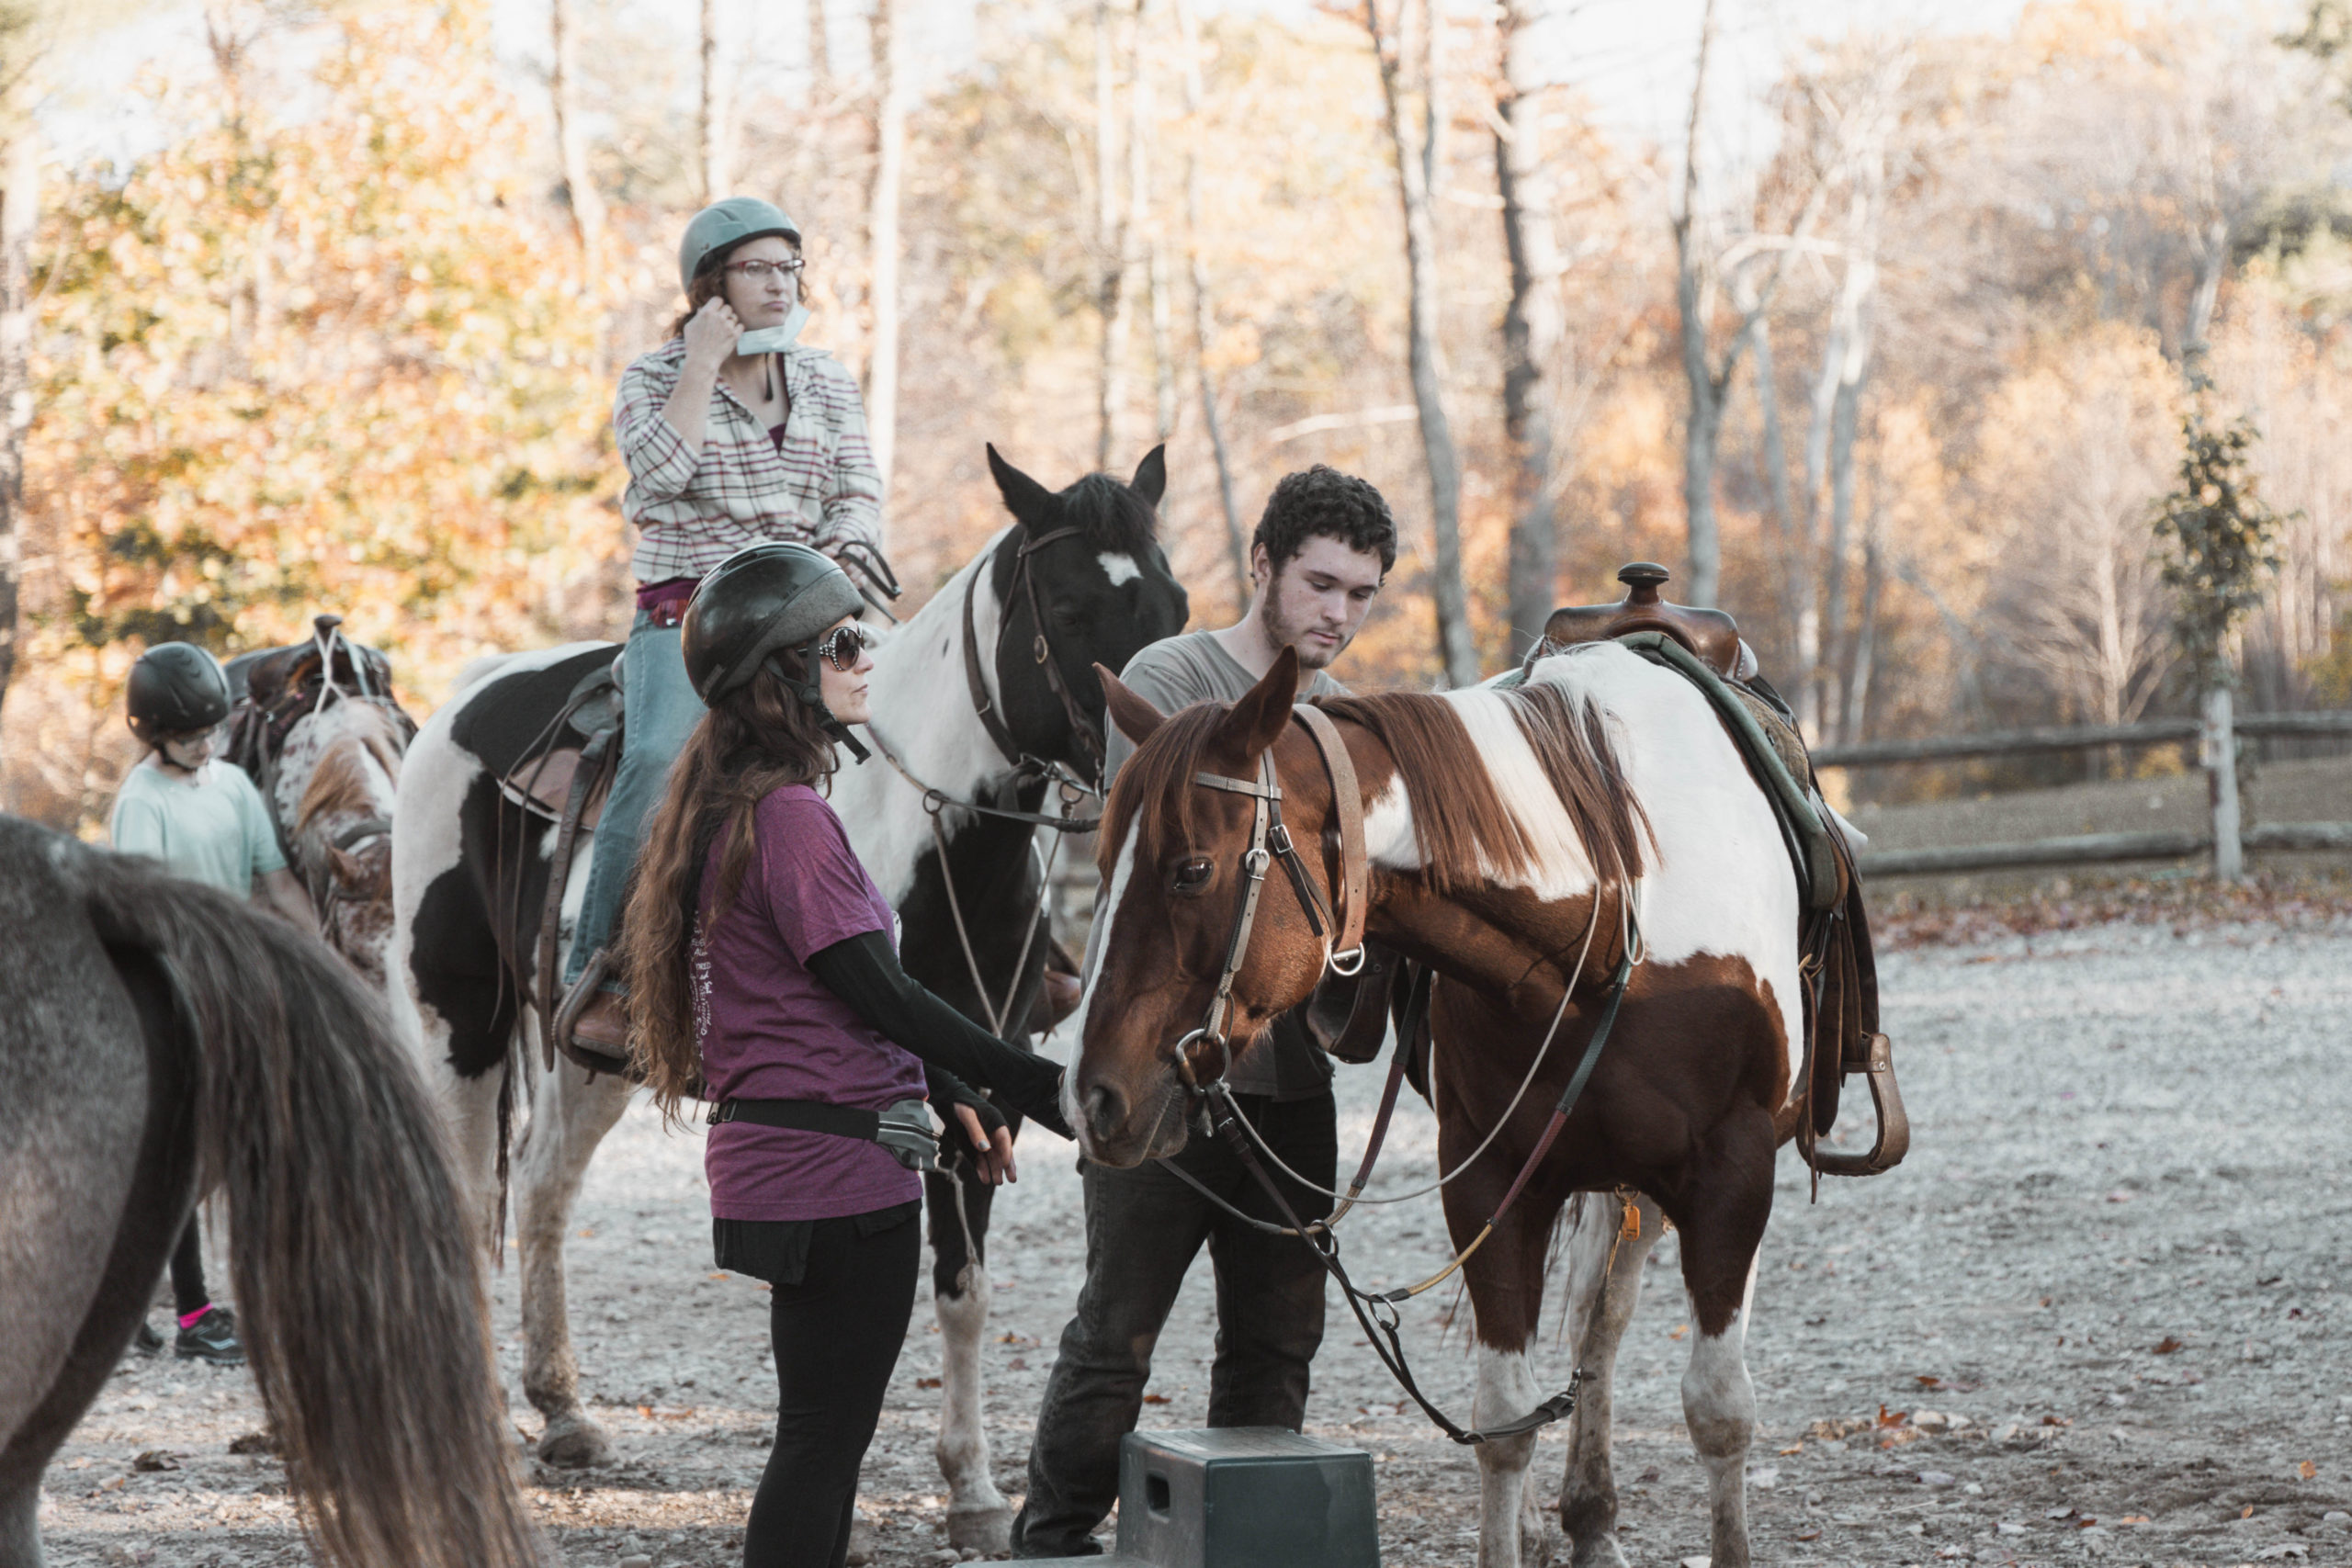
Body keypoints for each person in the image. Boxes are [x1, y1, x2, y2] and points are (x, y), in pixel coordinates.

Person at [620, 542, 1074, 1568]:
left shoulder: (751, 808)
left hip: (795, 1165)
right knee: (823, 1443)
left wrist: (950, 1086)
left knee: (823, 1439)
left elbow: (838, 1001)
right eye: (841, 643)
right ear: (783, 675)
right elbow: (880, 988)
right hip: (835, 1180)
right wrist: (1042, 1087)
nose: (869, 657)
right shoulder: (787, 819)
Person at [1012, 466, 1396, 1558]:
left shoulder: (1340, 726)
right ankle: (1054, 1539)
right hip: (1157, 1060)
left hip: (1289, 1078)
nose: (1338, 613)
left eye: (1360, 595)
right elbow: (1160, 871)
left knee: (1279, 1340)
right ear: (1263, 568)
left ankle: (1245, 1545)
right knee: (1114, 1336)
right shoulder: (1170, 675)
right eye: (1319, 583)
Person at [567, 196, 886, 1052]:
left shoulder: (822, 378)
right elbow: (659, 477)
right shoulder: (651, 377)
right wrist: (700, 368)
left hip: (814, 610)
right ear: (711, 285)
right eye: (758, 268)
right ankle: (599, 974)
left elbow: (857, 492)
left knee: (929, 725)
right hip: (692, 623)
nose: (780, 283)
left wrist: (847, 555)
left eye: (791, 267)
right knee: (659, 761)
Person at [107, 641, 321, 1365]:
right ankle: (195, 1314)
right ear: (154, 734)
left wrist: (323, 957)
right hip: (174, 990)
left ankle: (125, 1298)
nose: (206, 746)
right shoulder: (140, 803)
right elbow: (144, 913)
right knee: (180, 1155)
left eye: (212, 732)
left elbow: (277, 882)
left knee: (242, 1147)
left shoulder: (231, 784)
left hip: (239, 985)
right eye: (191, 737)